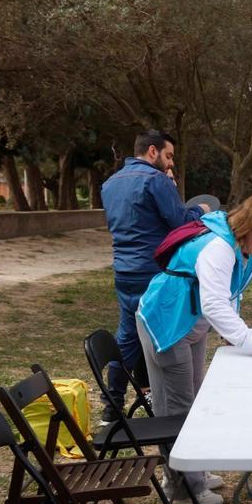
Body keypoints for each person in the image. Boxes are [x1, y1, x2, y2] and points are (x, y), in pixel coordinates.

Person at [136, 194, 252, 504]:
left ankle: (194, 473)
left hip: (190, 323)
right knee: (177, 408)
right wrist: (251, 341)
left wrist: (236, 335)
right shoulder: (219, 248)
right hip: (168, 323)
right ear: (245, 225)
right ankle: (182, 489)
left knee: (193, 398)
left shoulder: (242, 248)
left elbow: (228, 294)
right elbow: (214, 303)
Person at [100, 129, 208, 424]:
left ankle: (111, 406)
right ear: (152, 151)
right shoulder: (155, 180)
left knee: (127, 339)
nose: (169, 162)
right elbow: (180, 222)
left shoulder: (109, 184)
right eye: (168, 155)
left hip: (124, 271)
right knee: (164, 337)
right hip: (155, 272)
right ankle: (162, 402)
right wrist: (202, 209)